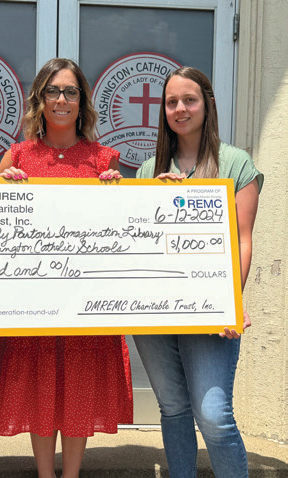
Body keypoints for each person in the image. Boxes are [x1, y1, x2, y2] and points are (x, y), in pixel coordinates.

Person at [0, 58, 133, 478]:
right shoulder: (17, 156)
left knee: (80, 381)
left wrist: (116, 196)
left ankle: (72, 474)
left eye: (70, 91)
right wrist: (4, 190)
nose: (61, 99)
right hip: (33, 299)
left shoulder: (106, 158)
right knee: (39, 382)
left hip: (85, 299)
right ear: (39, 100)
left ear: (82, 100)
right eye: (53, 91)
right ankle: (46, 474)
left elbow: (118, 233)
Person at [134, 66, 263, 477]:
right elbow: (131, 238)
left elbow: (243, 239)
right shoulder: (146, 169)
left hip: (208, 312)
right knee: (172, 408)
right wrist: (148, 193)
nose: (180, 109)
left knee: (213, 415)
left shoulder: (235, 163)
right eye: (171, 102)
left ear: (207, 104)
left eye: (189, 100)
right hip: (154, 310)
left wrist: (231, 302)